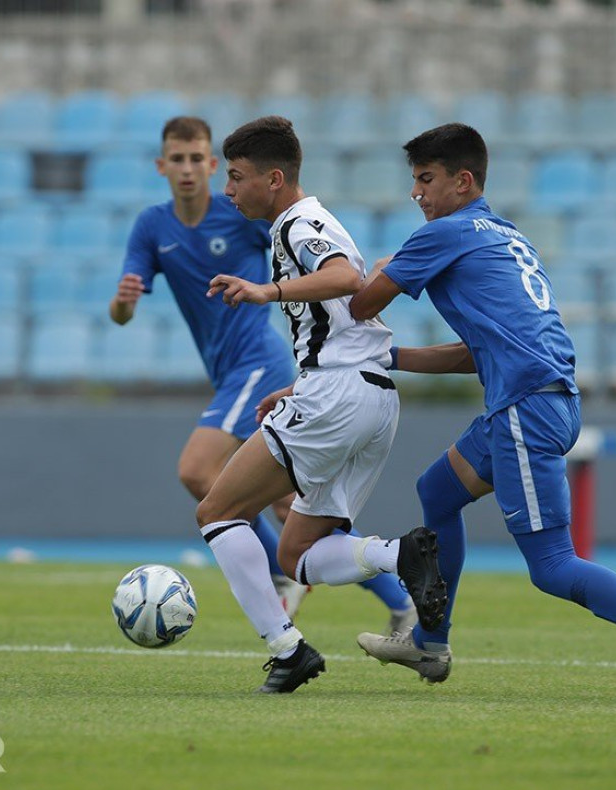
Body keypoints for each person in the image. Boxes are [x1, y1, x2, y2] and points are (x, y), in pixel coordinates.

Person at [347, 123, 616, 704]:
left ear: (463, 181)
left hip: (525, 409)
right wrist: (392, 358)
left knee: (552, 566)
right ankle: (429, 642)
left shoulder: (444, 233)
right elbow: (478, 354)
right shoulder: (503, 235)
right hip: (544, 400)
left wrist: (383, 265)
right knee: (438, 492)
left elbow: (361, 303)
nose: (415, 193)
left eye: (425, 179)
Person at [108, 116, 417, 634]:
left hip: (258, 363)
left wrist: (267, 289)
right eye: (177, 160)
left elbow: (329, 263)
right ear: (162, 166)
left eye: (198, 160)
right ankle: (400, 599)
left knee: (199, 471)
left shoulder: (251, 216)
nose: (189, 170)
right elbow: (121, 314)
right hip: (237, 372)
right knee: (287, 506)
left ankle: (281, 580)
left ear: (210, 163)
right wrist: (122, 303)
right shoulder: (153, 227)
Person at [195, 115, 448, 693]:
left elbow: (344, 277)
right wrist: (300, 384)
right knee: (298, 552)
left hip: (338, 395)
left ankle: (288, 651)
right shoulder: (307, 222)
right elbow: (349, 313)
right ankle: (397, 555)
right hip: (371, 394)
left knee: (217, 512)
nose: (227, 189)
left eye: (235, 176)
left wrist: (267, 290)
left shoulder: (297, 223)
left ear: (274, 179)